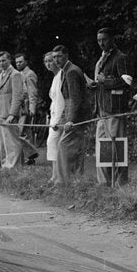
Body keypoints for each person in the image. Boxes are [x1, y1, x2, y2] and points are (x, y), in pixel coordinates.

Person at [91, 28, 132, 186]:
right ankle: (104, 183)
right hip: (102, 109)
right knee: (103, 146)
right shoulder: (101, 59)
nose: (101, 43)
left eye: (104, 40)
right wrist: (94, 85)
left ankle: (120, 184)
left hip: (115, 109)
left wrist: (104, 81)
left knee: (117, 146)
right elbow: (101, 81)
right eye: (99, 40)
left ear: (112, 39)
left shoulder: (120, 57)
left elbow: (126, 82)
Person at [52, 44, 89, 184]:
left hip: (77, 115)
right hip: (70, 112)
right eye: (54, 57)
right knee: (75, 148)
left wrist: (71, 120)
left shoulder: (71, 71)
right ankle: (75, 180)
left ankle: (63, 181)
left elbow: (75, 99)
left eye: (59, 57)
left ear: (66, 56)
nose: (56, 60)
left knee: (64, 144)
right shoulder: (64, 71)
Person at [0, 51, 26, 169]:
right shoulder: (2, 74)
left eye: (3, 60)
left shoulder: (15, 74)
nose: (1, 63)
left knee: (12, 142)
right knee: (3, 143)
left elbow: (18, 96)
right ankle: (6, 166)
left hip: (9, 113)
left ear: (9, 60)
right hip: (1, 112)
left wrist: (12, 114)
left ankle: (14, 167)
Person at [13, 52, 41, 165]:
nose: (18, 64)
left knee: (21, 133)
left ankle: (31, 154)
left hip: (26, 107)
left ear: (26, 62)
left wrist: (32, 108)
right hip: (20, 108)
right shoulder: (18, 74)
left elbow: (33, 92)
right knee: (23, 133)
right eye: (16, 62)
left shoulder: (30, 74)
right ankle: (29, 157)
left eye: (20, 62)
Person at [43, 51, 62, 180]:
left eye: (50, 60)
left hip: (59, 117)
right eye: (46, 61)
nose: (48, 63)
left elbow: (61, 101)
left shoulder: (61, 76)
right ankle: (55, 175)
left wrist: (58, 120)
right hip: (53, 115)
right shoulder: (55, 77)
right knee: (52, 144)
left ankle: (57, 175)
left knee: (54, 142)